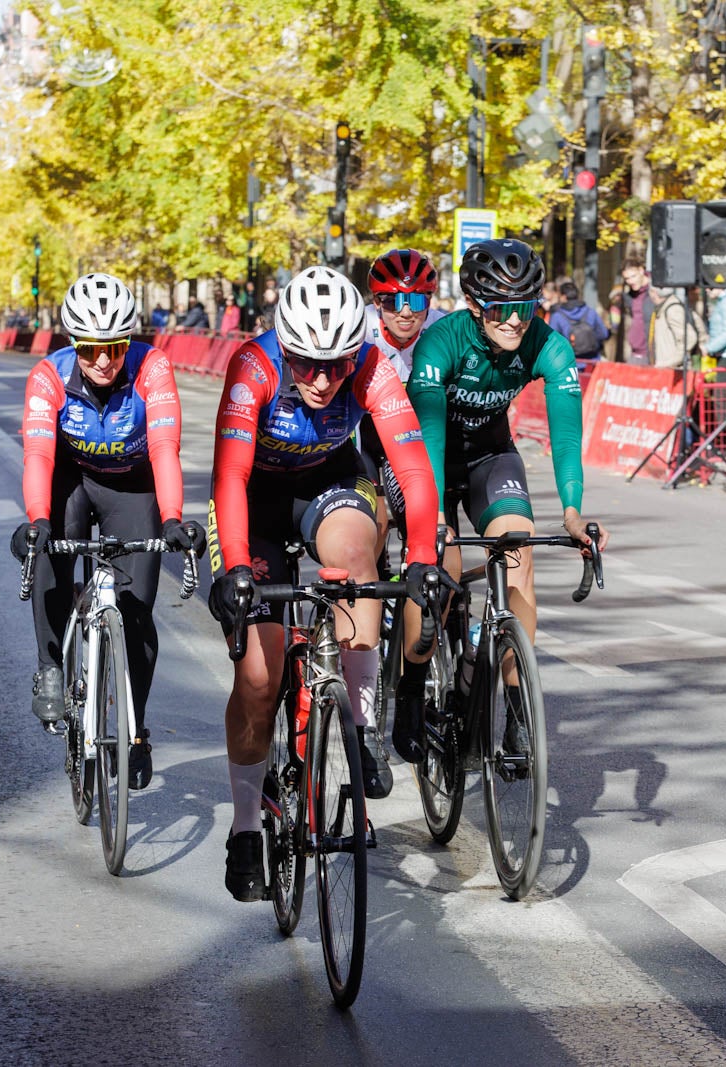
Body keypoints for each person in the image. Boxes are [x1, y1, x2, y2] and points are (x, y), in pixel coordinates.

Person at [205, 265, 445, 902]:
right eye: (307, 364)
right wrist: (233, 568)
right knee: (259, 677)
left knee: (358, 557)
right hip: (253, 500)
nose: (320, 379)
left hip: (328, 485)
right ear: (285, 346)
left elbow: (413, 468)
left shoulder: (371, 366)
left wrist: (421, 555)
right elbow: (228, 476)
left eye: (334, 365)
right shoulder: (252, 367)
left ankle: (359, 722)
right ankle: (246, 829)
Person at [403, 239, 609, 762]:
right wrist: (433, 525)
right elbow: (428, 438)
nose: (516, 322)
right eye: (501, 308)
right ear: (473, 303)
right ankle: (411, 691)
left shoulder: (549, 345)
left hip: (491, 456)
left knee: (518, 555)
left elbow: (565, 439)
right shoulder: (441, 343)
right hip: (431, 458)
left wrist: (571, 512)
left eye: (526, 307)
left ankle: (517, 712)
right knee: (439, 572)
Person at [11, 273, 197, 791]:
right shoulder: (49, 376)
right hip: (71, 480)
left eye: (114, 349)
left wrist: (173, 518)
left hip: (133, 485)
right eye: (91, 350)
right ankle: (50, 663)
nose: (103, 362)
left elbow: (164, 448)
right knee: (48, 547)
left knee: (136, 612)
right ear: (75, 344)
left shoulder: (152, 368)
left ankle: (135, 731)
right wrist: (37, 519)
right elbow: (38, 455)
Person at [357, 249, 446, 586]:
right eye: (393, 302)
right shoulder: (360, 327)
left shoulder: (441, 328)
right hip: (363, 432)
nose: (406, 312)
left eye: (418, 302)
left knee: (419, 515)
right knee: (374, 524)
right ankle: (366, 598)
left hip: (410, 435)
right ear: (377, 303)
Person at [546, 280, 610, 361]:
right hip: (592, 362)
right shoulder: (590, 312)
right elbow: (604, 334)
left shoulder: (557, 316)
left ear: (563, 297)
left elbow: (552, 342)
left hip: (568, 362)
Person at [611, 257, 656, 365]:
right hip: (635, 352)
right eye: (627, 278)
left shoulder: (655, 291)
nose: (630, 281)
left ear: (641, 270)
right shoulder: (632, 293)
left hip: (651, 354)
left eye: (633, 276)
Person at [649, 286, 705, 368]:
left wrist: (670, 362)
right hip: (669, 368)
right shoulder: (667, 306)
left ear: (654, 292)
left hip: (675, 369)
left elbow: (689, 338)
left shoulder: (673, 309)